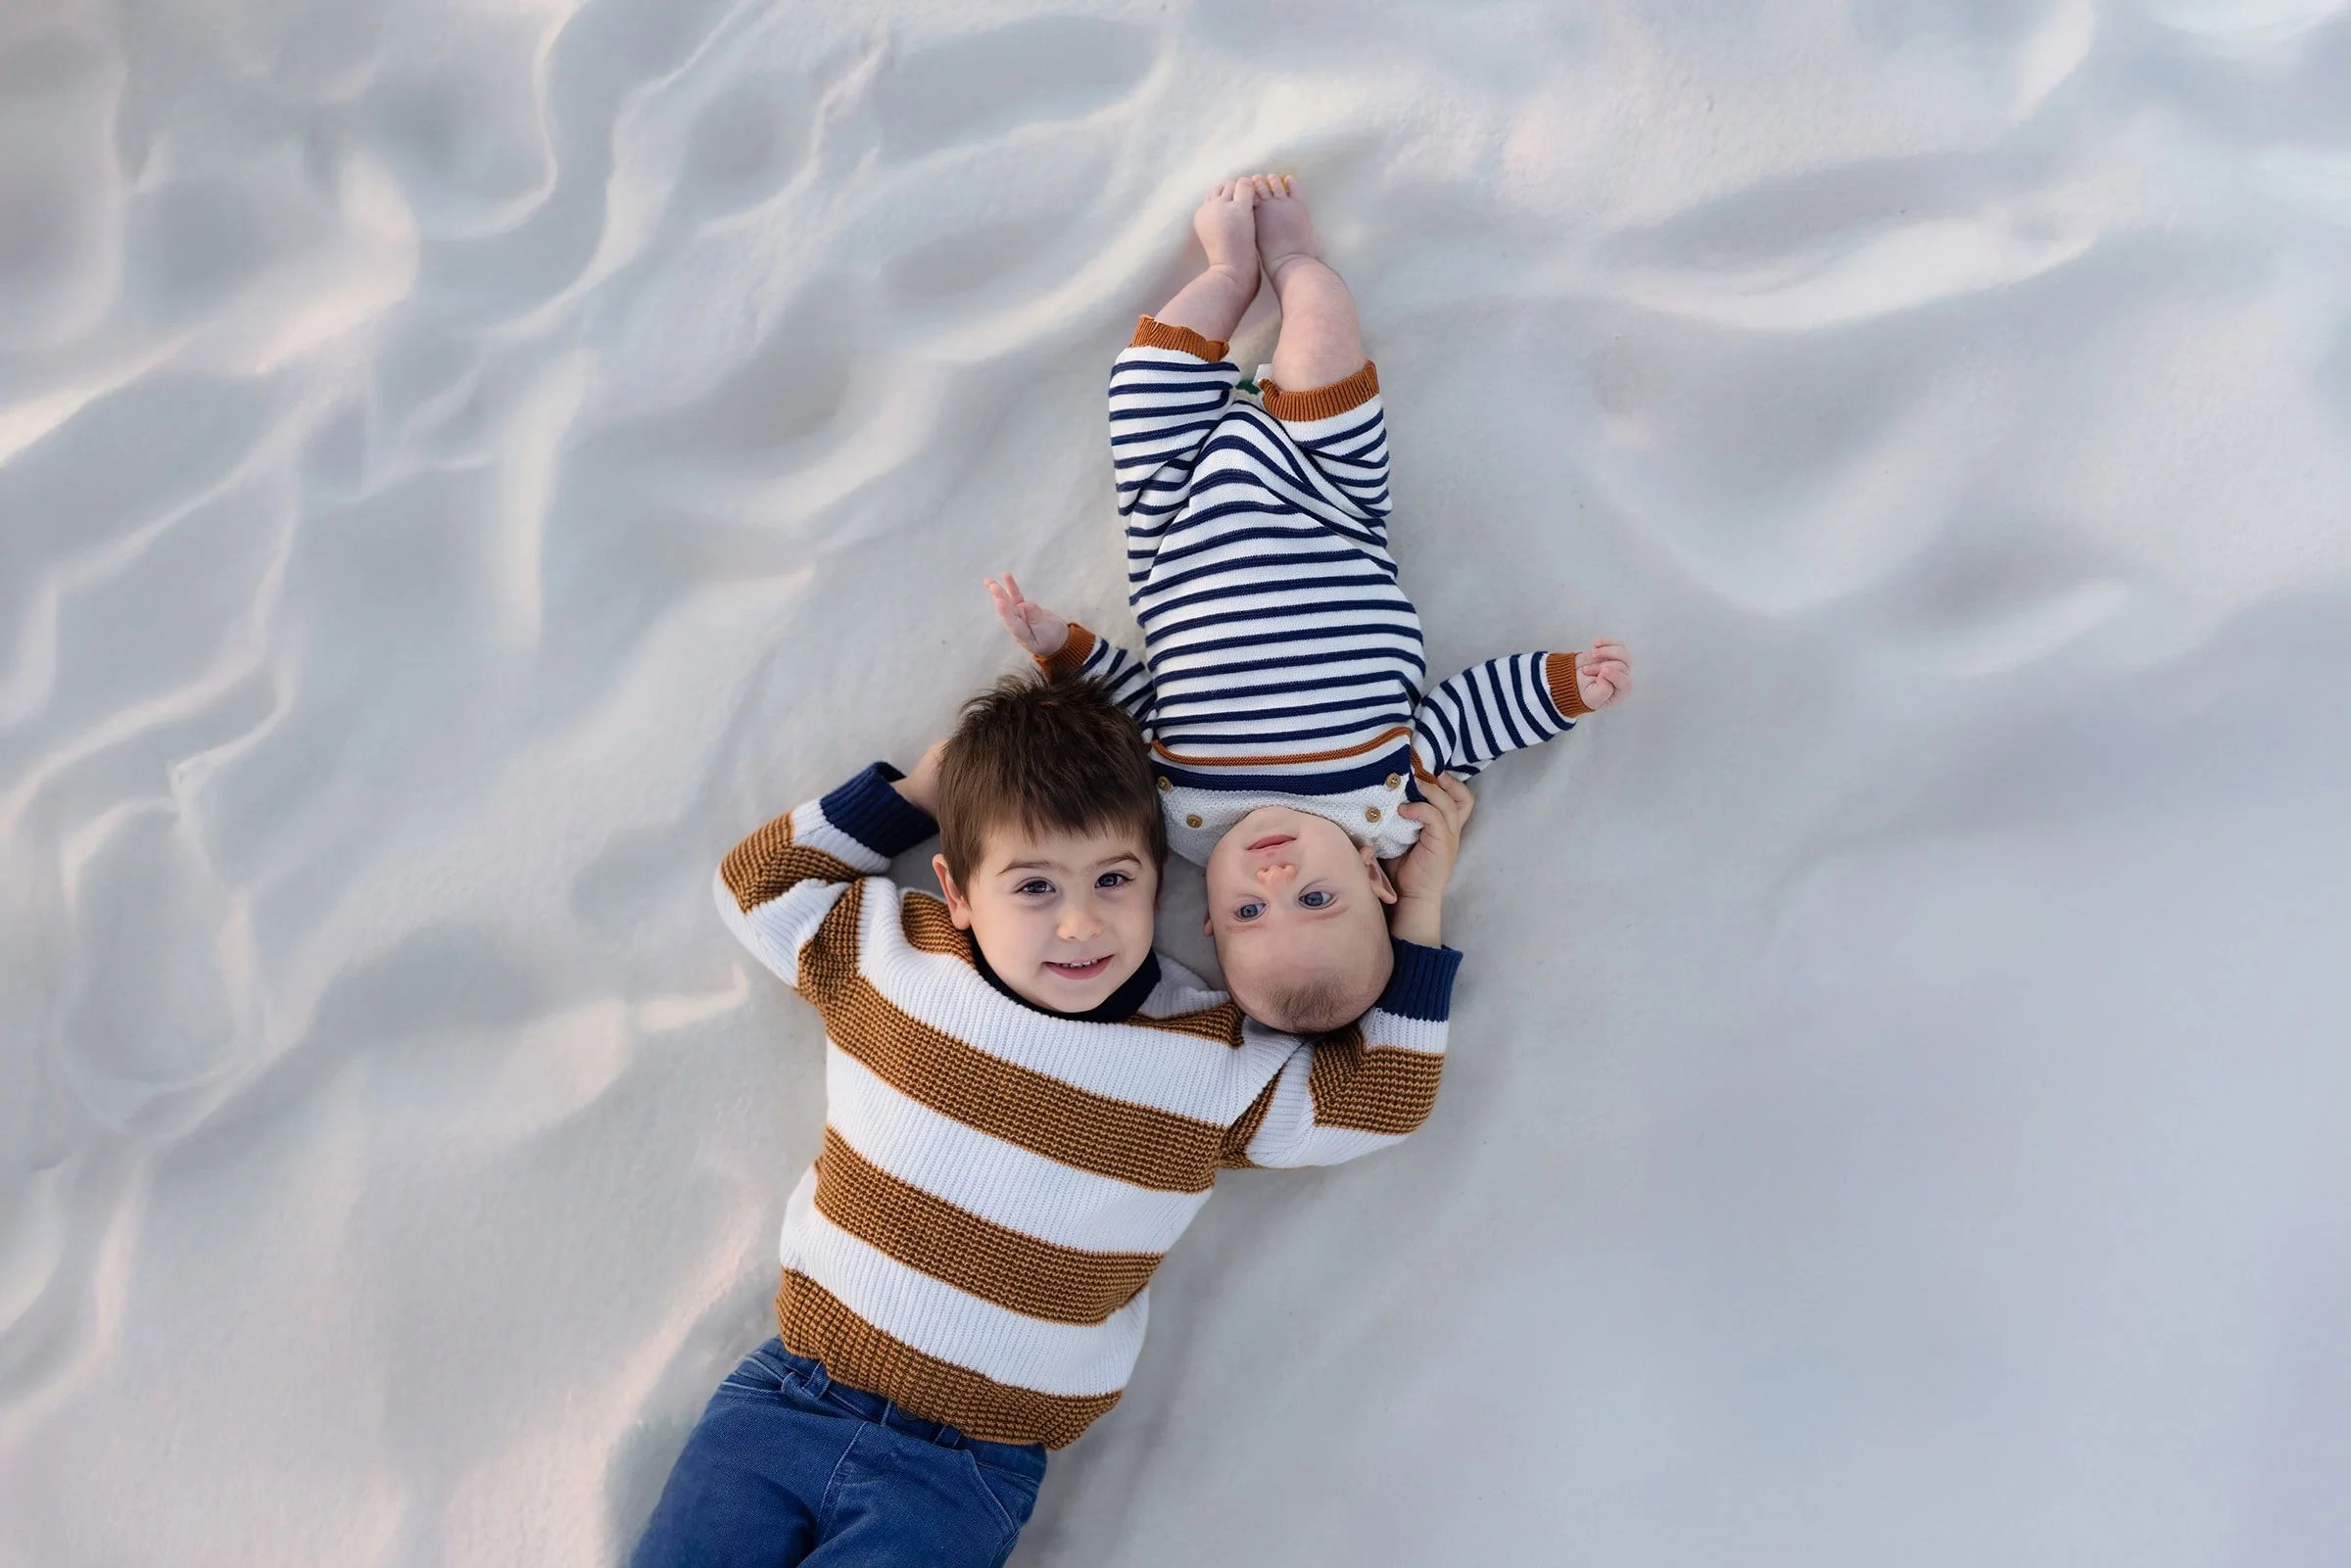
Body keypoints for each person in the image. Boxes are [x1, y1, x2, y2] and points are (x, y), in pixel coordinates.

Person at [631, 673, 1473, 1567]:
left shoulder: (1208, 1058)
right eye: (1034, 887)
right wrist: (916, 796)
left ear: (1158, 882)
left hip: (961, 1473)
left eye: (1114, 879)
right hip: (786, 1404)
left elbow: (1377, 1101)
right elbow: (757, 883)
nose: (1080, 923)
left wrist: (1416, 908)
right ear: (957, 891)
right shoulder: (894, 956)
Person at [989, 173, 1632, 1036]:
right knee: (1324, 343)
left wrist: (1061, 648)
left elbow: (1133, 703)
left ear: (1209, 919)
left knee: (1143, 383)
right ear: (1375, 881)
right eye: (1316, 897)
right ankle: (1292, 260)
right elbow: (1470, 717)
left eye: (1250, 914)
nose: (1274, 877)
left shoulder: (1178, 815)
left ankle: (1227, 272)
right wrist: (1565, 688)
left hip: (1172, 520)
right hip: (1331, 497)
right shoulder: (1388, 801)